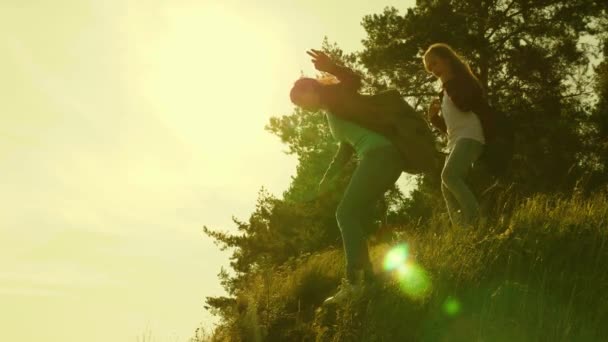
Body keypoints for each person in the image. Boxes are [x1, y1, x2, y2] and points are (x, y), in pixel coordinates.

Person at [289, 49, 438, 305]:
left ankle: (356, 283)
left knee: (345, 214)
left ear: (311, 90)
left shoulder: (335, 97)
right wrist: (326, 179)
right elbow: (346, 148)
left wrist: (331, 66)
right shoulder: (332, 111)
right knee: (352, 214)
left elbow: (353, 81)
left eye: (302, 102)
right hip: (379, 157)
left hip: (381, 155)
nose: (303, 109)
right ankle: (365, 281)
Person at [423, 43, 495, 227]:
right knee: (446, 187)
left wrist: (448, 84)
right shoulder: (446, 90)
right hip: (456, 140)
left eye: (434, 63)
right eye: (429, 68)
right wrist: (434, 119)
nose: (433, 70)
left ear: (447, 59)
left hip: (472, 135)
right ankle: (462, 232)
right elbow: (451, 127)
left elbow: (466, 105)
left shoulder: (462, 81)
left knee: (449, 177)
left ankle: (476, 221)